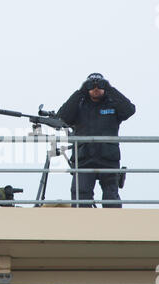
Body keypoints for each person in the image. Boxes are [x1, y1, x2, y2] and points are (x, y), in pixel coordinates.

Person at [56, 73, 136, 208]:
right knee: (81, 194)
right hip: (84, 159)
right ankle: (84, 226)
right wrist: (80, 91)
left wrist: (110, 88)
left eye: (100, 85)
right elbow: (63, 116)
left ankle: (114, 225)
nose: (96, 88)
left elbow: (129, 110)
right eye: (91, 86)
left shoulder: (112, 104)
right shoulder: (80, 105)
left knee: (111, 197)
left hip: (108, 158)